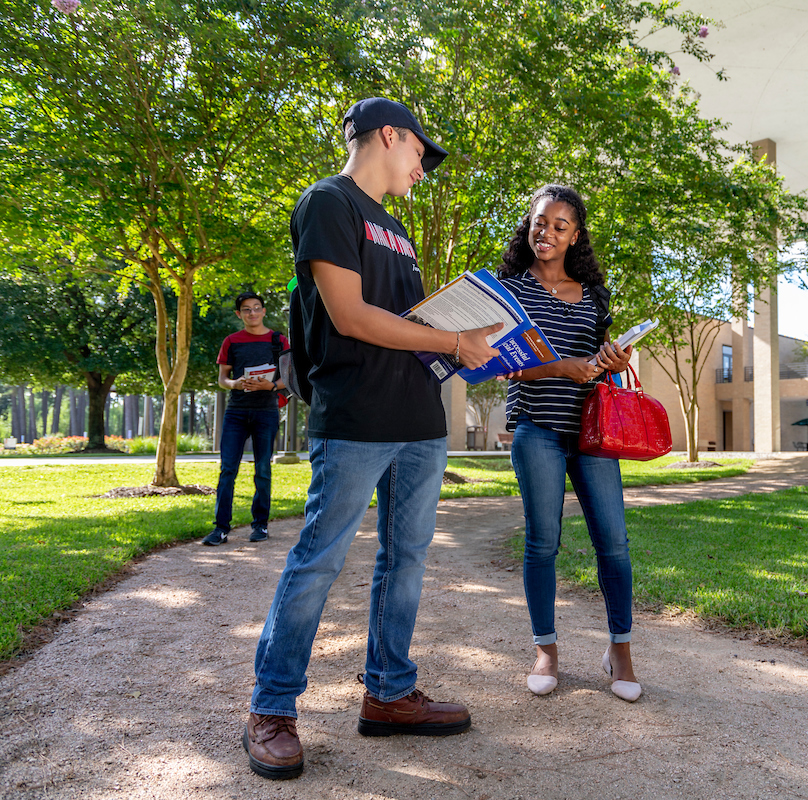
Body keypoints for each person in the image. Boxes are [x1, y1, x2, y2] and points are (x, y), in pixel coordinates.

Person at [243, 97, 502, 781]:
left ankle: (388, 694)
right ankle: (271, 708)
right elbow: (352, 317)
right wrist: (453, 338)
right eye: (421, 152)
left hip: (419, 417)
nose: (424, 167)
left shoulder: (398, 229)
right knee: (319, 559)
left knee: (407, 560)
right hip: (356, 414)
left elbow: (401, 323)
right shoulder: (329, 201)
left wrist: (459, 335)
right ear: (389, 135)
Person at [497, 184, 641, 702]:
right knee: (543, 542)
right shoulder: (507, 289)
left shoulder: (595, 294)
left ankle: (619, 649)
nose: (547, 232)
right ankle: (546, 650)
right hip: (538, 429)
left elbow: (596, 359)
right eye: (540, 222)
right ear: (529, 225)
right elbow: (500, 363)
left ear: (575, 235)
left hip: (592, 432)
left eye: (560, 225)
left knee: (615, 544)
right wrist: (560, 366)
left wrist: (612, 359)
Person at [203, 291, 287, 546]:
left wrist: (271, 387)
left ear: (263, 311)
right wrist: (236, 384)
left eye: (257, 308)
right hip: (236, 412)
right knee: (228, 469)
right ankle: (220, 529)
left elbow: (290, 378)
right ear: (239, 314)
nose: (252, 313)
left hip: (266, 412)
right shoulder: (231, 341)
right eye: (247, 310)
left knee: (263, 468)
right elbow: (222, 379)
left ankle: (260, 526)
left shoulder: (278, 340)